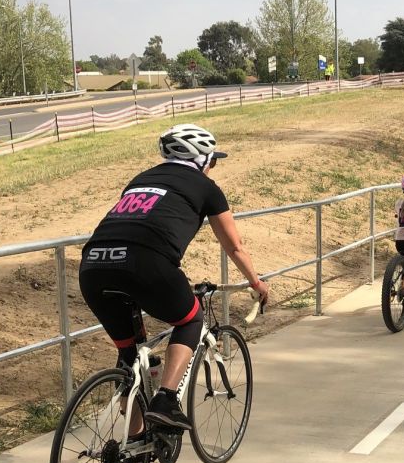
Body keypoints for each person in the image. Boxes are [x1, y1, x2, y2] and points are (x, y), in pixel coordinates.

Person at [79, 123, 270, 434]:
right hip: (146, 263)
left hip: (93, 266)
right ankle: (166, 400)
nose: (213, 168)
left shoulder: (140, 180)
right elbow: (234, 246)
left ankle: (132, 445)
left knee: (131, 358)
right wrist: (257, 284)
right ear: (202, 159)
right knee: (190, 321)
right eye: (213, 161)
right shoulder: (206, 188)